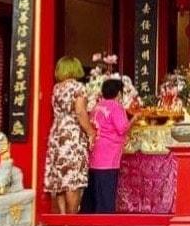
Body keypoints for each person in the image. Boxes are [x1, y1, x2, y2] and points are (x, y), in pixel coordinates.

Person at [43, 56, 96, 214]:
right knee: (73, 177)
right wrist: (90, 131)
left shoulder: (56, 88)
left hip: (57, 132)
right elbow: (80, 112)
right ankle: (72, 217)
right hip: (72, 134)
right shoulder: (78, 87)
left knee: (60, 176)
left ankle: (62, 215)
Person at [88, 78, 131, 215]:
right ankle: (105, 220)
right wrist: (134, 120)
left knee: (96, 194)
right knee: (107, 194)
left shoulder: (97, 106)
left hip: (96, 153)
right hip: (109, 155)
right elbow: (122, 128)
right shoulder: (116, 107)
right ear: (118, 93)